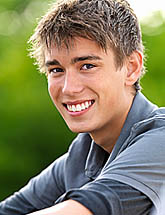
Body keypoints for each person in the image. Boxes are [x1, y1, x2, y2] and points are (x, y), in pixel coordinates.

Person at [0, 0, 165, 214]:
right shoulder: (80, 156)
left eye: (87, 66)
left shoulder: (161, 138)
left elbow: (87, 208)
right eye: (57, 70)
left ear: (131, 67)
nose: (69, 88)